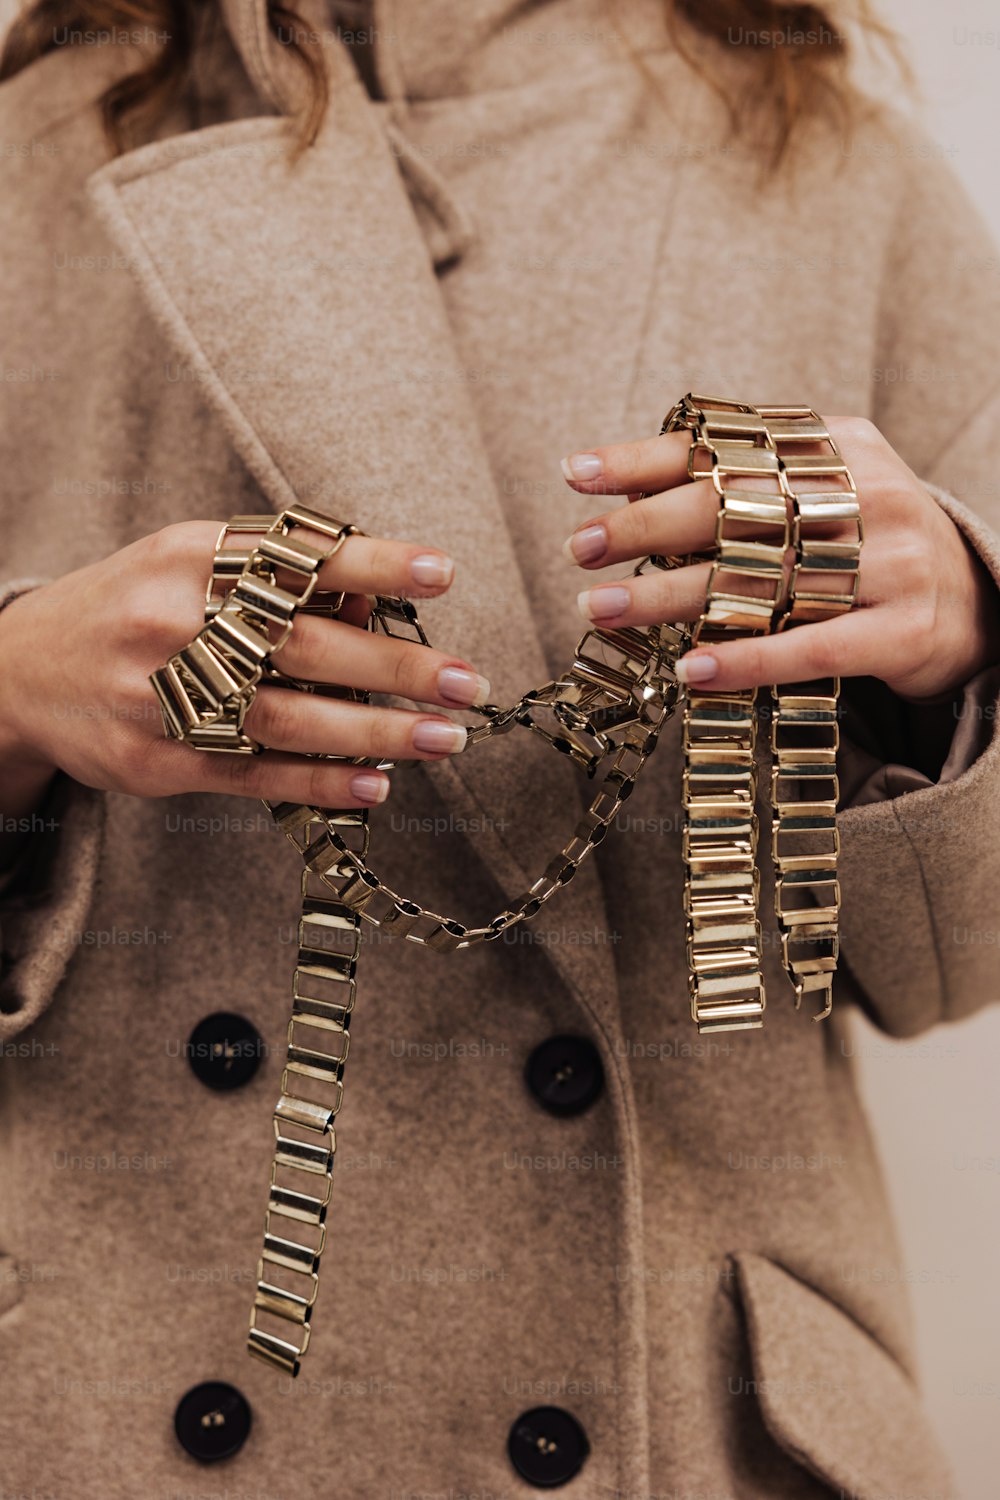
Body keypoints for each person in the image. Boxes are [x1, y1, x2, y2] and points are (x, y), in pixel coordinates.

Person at [1, 0, 998, 1493]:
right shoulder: (24, 161)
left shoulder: (833, 166)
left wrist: (960, 639)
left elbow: (954, 968)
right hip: (103, 1379)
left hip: (687, 1413)